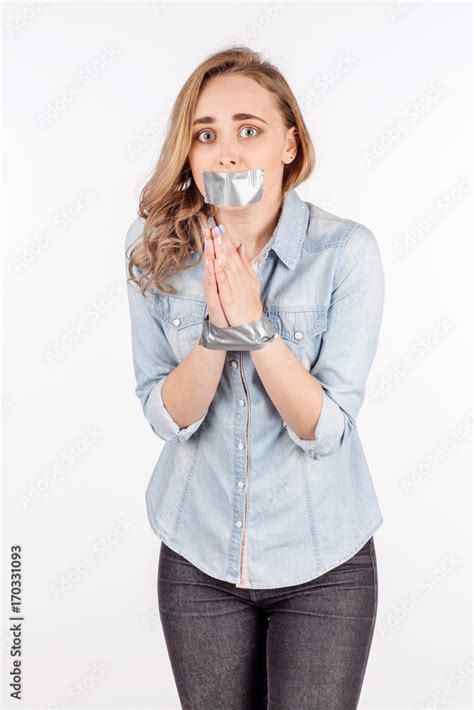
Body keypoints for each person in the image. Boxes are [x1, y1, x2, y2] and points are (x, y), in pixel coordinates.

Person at [125, 46, 384, 710]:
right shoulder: (155, 251)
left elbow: (324, 429)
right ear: (188, 152)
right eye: (205, 134)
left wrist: (255, 324)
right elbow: (166, 416)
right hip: (197, 562)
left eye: (249, 129)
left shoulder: (345, 254)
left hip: (325, 566)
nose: (227, 153)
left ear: (289, 144)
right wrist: (217, 330)